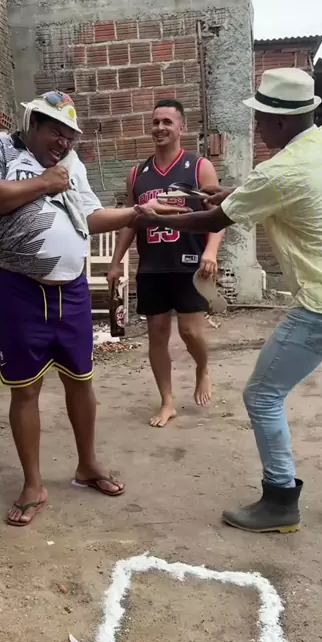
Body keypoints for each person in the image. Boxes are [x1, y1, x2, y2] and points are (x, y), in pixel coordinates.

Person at [136, 68, 322, 533]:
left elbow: (214, 221)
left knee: (263, 395)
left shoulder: (279, 171)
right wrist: (229, 193)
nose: (258, 127)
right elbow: (273, 192)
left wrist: (154, 217)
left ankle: (280, 501)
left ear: (281, 122)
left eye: (261, 119)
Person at [0, 91, 156, 526]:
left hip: (70, 291)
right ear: (33, 122)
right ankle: (33, 484)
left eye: (70, 136)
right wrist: (44, 182)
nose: (64, 143)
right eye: (56, 132)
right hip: (18, 289)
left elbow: (90, 217)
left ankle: (87, 465)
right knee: (25, 389)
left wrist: (137, 213)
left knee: (80, 380)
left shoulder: (72, 165)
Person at [107, 99, 224, 427]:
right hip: (152, 266)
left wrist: (211, 251)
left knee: (189, 331)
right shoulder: (137, 174)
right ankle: (167, 401)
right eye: (156, 122)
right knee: (157, 334)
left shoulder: (198, 167)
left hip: (190, 263)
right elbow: (130, 222)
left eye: (167, 122)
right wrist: (116, 262)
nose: (160, 127)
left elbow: (218, 216)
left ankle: (202, 367)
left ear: (181, 127)